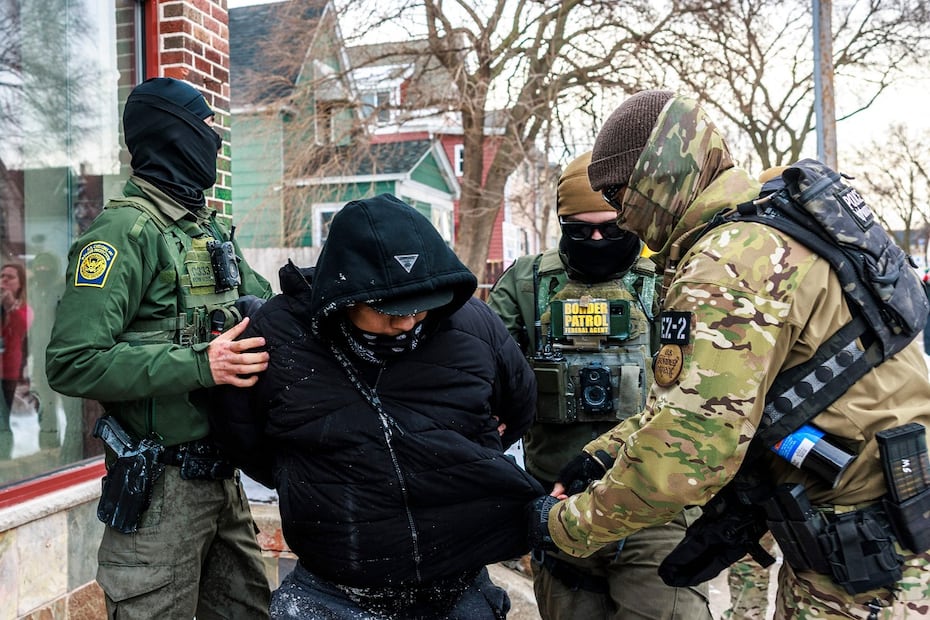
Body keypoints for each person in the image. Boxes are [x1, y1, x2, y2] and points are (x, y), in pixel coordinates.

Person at [528, 90, 930, 618]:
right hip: (893, 518)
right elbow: (710, 402)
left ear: (657, 177)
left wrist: (562, 525)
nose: (620, 219)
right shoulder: (768, 224)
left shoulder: (726, 264)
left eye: (617, 194)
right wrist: (603, 453)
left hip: (865, 558)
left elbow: (687, 453)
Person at [210, 193, 545, 620]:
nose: (406, 322)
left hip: (459, 580)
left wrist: (467, 453)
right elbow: (241, 434)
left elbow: (519, 405)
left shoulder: (474, 325)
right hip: (332, 587)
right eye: (388, 309)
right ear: (344, 295)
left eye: (420, 306)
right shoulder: (277, 336)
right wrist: (308, 478)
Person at [45, 77, 274, 619]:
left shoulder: (205, 228)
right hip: (160, 490)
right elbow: (72, 362)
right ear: (175, 133)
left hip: (224, 480)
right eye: (206, 128)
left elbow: (264, 308)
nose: (215, 142)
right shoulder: (122, 233)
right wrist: (202, 364)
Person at [487, 152, 712, 619]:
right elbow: (479, 374)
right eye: (579, 230)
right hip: (559, 507)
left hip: (655, 512)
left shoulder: (670, 284)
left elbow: (706, 394)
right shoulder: (526, 285)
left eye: (611, 229)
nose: (596, 240)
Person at [0, 262, 33, 457]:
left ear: (20, 284)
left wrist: (9, 304)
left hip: (10, 372)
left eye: (10, 277)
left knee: (6, 418)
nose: (4, 280)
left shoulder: (23, 308)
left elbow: (22, 328)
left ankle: (5, 454)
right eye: (2, 276)